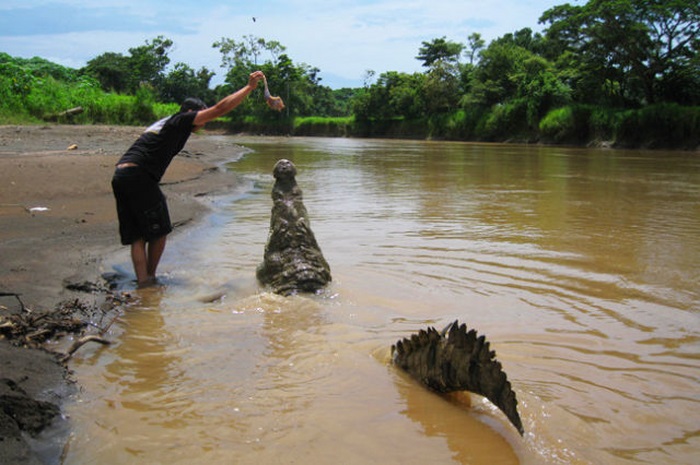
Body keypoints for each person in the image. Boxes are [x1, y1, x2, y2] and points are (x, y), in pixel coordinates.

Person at [111, 70, 265, 287]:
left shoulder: (166, 124)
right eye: (201, 115)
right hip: (139, 176)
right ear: (191, 113)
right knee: (160, 230)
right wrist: (249, 88)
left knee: (138, 235)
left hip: (121, 175)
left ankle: (143, 282)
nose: (203, 121)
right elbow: (220, 109)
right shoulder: (180, 120)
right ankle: (150, 279)